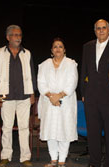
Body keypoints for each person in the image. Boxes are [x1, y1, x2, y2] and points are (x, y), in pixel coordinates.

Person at [0, 25, 37, 167]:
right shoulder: (0, 52)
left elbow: (32, 75)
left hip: (24, 96)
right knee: (7, 127)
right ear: (8, 37)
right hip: (6, 96)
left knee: (24, 128)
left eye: (20, 35)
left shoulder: (27, 53)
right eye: (15, 35)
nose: (18, 37)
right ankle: (6, 156)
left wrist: (32, 93)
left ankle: (25, 157)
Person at [80, 19, 109, 167]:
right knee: (93, 132)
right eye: (98, 28)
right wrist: (83, 92)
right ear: (94, 30)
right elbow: (84, 70)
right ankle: (94, 162)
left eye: (104, 28)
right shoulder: (87, 46)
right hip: (90, 96)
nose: (101, 31)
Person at [37, 37, 78, 167]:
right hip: (48, 102)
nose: (58, 49)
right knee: (51, 131)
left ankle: (62, 160)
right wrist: (51, 96)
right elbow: (41, 83)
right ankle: (53, 159)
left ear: (64, 50)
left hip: (66, 101)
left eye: (60, 46)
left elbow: (72, 82)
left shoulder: (71, 64)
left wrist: (59, 96)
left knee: (64, 130)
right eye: (55, 46)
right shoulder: (44, 65)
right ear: (51, 50)